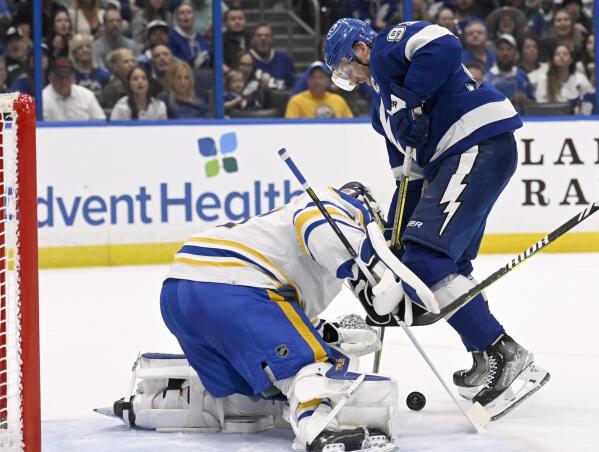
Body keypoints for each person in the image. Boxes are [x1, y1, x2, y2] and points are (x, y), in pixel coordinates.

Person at [323, 18, 550, 420]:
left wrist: (413, 99)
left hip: (474, 143)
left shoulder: (387, 49)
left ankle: (505, 352)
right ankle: (485, 354)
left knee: (427, 261)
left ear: (359, 48)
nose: (350, 78)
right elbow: (407, 178)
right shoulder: (381, 113)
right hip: (456, 160)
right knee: (441, 265)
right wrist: (394, 237)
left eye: (345, 68)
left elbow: (443, 44)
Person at [113, 183, 400, 451]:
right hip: (233, 285)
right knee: (311, 366)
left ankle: (154, 403)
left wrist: (329, 332)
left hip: (180, 292)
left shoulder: (285, 237)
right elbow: (318, 222)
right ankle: (320, 431)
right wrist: (371, 271)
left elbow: (277, 319)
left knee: (245, 402)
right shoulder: (338, 204)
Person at [535, 44, 595, 114]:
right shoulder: (544, 80)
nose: (561, 56)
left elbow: (590, 101)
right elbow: (540, 104)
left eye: (565, 54)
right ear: (553, 59)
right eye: (557, 54)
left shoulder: (580, 79)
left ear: (571, 60)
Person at [285, 61, 353, 119]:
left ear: (328, 81)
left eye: (321, 77)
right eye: (313, 77)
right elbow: (289, 129)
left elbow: (351, 126)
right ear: (308, 81)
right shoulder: (296, 102)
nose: (317, 81)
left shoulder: (339, 101)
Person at [485, 34, 534, 111]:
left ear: (515, 52)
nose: (505, 53)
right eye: (501, 49)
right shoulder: (487, 78)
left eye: (509, 49)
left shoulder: (522, 75)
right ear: (496, 51)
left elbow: (534, 103)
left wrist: (525, 100)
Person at [93, 3, 141, 69]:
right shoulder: (96, 47)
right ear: (104, 24)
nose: (115, 24)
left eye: (118, 21)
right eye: (111, 21)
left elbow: (138, 69)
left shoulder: (132, 46)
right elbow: (100, 71)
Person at [249, 23, 296, 91]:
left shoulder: (285, 60)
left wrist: (272, 83)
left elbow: (293, 86)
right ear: (252, 39)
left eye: (267, 36)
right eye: (259, 36)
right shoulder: (245, 60)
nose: (263, 38)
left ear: (272, 39)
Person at [168, 0, 211, 70]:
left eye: (189, 12)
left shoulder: (201, 39)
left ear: (194, 17)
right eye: (181, 13)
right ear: (176, 17)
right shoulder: (171, 37)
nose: (186, 16)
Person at [71, 33, 111, 101]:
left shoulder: (105, 75)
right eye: (80, 48)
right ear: (74, 53)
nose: (85, 50)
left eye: (88, 47)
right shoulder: (70, 76)